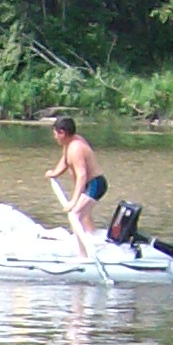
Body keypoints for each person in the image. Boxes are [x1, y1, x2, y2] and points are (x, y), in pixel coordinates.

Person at [46, 110, 109, 258]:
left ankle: (84, 255)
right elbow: (65, 160)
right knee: (85, 216)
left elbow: (82, 176)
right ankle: (95, 243)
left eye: (55, 133)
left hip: (95, 184)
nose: (54, 137)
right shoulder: (71, 143)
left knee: (75, 215)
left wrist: (74, 201)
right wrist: (55, 173)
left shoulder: (76, 148)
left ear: (62, 132)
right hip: (90, 184)